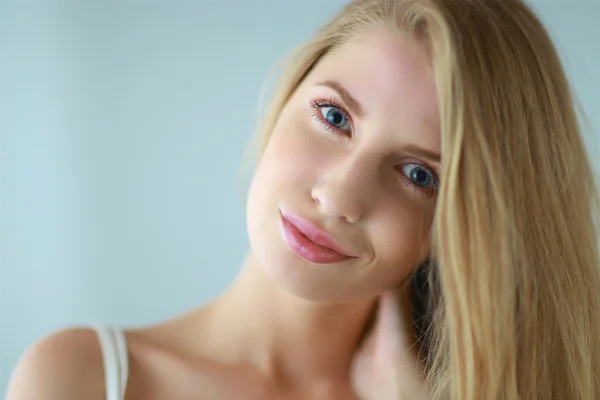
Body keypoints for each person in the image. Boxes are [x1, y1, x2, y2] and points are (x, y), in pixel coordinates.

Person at [6, 0, 600, 398]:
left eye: (419, 175)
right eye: (334, 115)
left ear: (461, 226)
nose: (339, 195)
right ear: (285, 94)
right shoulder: (81, 378)